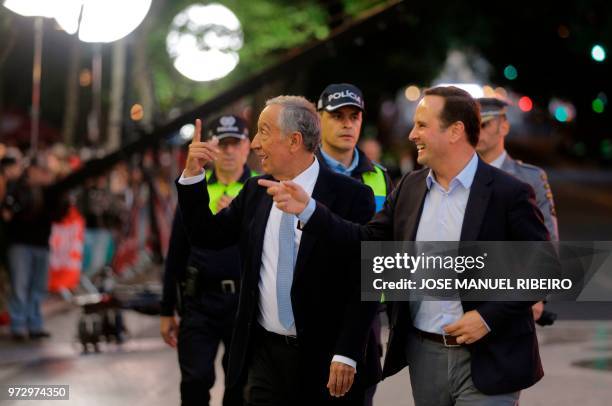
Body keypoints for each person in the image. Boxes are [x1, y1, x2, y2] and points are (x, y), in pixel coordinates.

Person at [261, 86, 550, 405]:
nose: (413, 134)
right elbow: (366, 241)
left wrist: (488, 316)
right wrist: (310, 210)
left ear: (455, 131)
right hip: (424, 355)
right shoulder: (410, 188)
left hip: (491, 357)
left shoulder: (509, 193)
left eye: (422, 125)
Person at [176, 96, 381, 405]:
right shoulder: (255, 192)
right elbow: (207, 236)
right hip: (265, 358)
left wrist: (348, 353)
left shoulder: (352, 196)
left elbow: (368, 278)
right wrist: (192, 177)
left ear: (294, 141)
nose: (256, 143)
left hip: (327, 360)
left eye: (264, 131)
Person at [160, 114, 254, 406]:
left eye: (234, 143)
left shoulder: (259, 189)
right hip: (200, 301)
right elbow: (176, 251)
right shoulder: (195, 186)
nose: (228, 151)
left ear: (247, 146)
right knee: (195, 380)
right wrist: (166, 309)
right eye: (221, 144)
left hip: (243, 302)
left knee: (240, 386)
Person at [317, 83, 392, 406]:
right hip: (312, 305)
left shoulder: (379, 176)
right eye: (337, 116)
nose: (347, 124)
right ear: (318, 118)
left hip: (365, 307)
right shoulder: (302, 173)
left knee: (358, 395)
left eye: (354, 116)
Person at [476, 97, 559, 323]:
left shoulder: (529, 178)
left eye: (484, 125)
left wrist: (537, 295)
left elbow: (546, 241)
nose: (478, 132)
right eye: (473, 126)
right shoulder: (455, 175)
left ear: (504, 126)